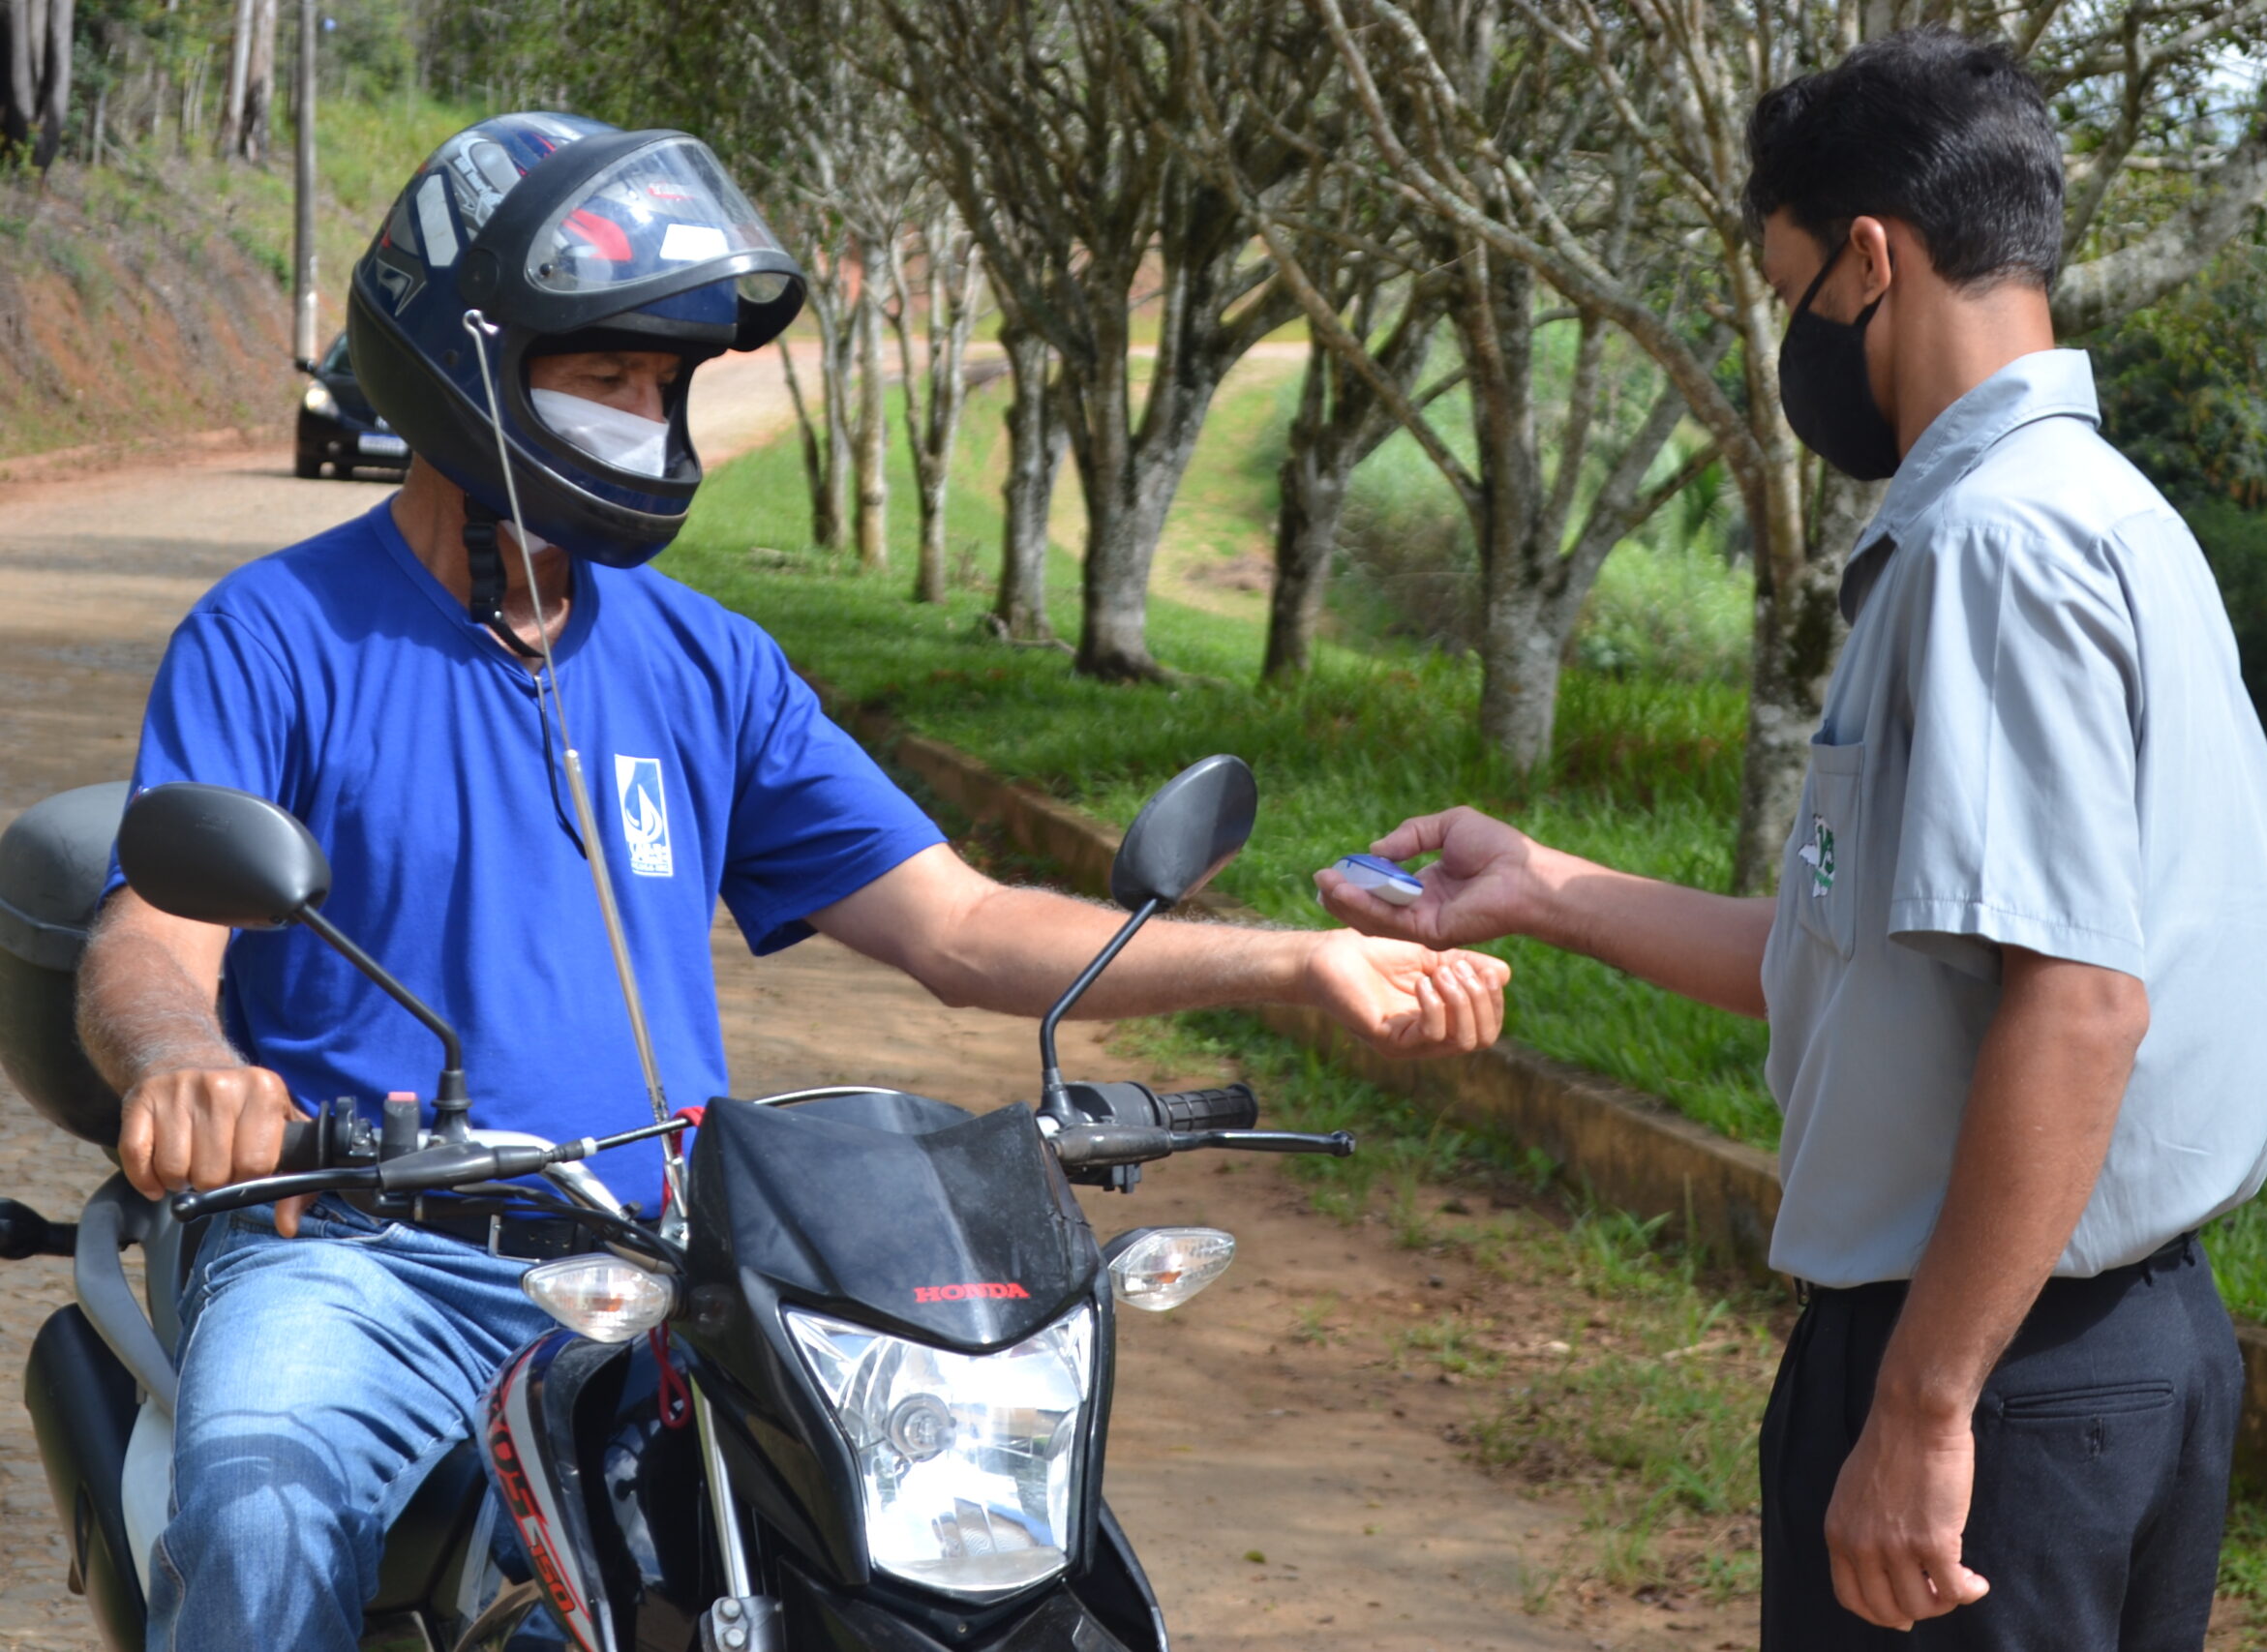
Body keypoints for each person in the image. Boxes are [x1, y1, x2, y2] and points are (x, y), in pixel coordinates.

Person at [76, 113, 1511, 1649]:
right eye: (600, 376)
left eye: (662, 385)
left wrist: (1293, 964)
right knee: (260, 1507)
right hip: (367, 1259)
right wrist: (186, 1066)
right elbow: (152, 939)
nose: (643, 416)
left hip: (661, 1273)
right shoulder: (276, 634)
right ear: (464, 365)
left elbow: (960, 926)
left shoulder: (707, 664)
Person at [1315, 29, 2267, 1652]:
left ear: (1870, 257)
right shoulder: (2109, 516)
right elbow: (1872, 972)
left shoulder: (1992, 549)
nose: (1794, 341)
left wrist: (1921, 1409)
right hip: (2105, 1346)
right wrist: (1545, 889)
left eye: (1791, 291)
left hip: (2000, 1367)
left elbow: (2081, 1006)